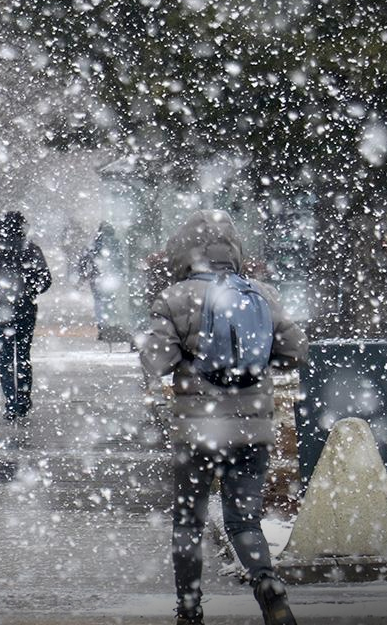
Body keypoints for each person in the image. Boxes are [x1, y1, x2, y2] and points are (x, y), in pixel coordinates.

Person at [139, 210, 309, 625]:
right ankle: (268, 584)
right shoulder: (261, 294)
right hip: (253, 426)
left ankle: (190, 610)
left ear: (184, 252)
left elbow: (156, 360)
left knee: (189, 520)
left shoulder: (174, 298)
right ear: (232, 251)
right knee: (243, 517)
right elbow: (295, 350)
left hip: (198, 429)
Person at [0, 210, 51, 420]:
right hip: (26, 310)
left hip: (2, 311)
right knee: (23, 355)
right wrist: (30, 291)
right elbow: (45, 279)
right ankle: (23, 397)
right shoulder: (31, 250)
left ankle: (11, 402)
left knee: (6, 357)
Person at [77, 221, 127, 340]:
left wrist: (83, 275)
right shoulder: (116, 243)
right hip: (110, 277)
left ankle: (102, 325)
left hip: (96, 277)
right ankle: (110, 324)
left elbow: (85, 260)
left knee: (99, 300)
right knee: (109, 300)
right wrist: (121, 274)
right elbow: (119, 260)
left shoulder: (93, 244)